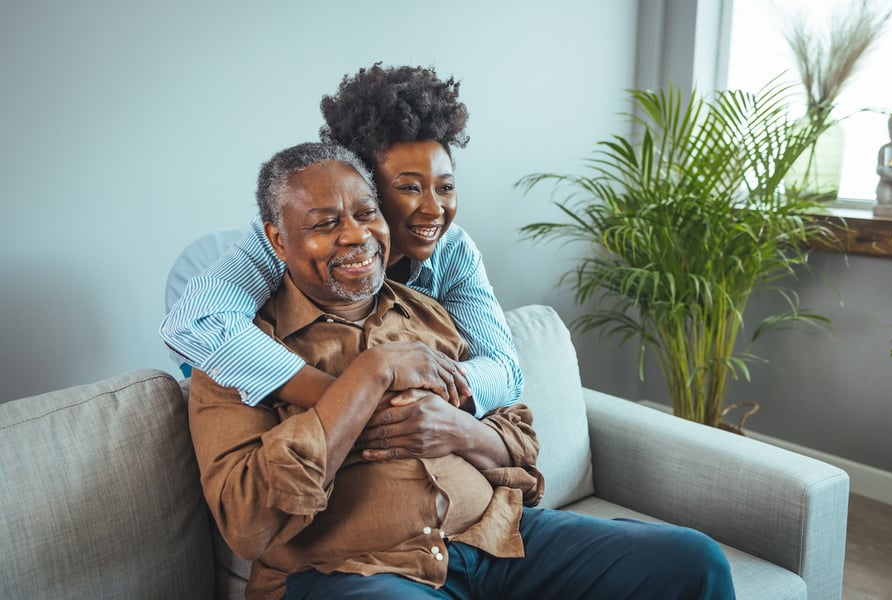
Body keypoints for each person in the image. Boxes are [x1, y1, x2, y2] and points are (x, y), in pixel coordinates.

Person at [187, 141, 736, 600]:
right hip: (359, 572)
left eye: (366, 213)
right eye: (326, 223)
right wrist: (368, 375)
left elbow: (520, 439)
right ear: (278, 239)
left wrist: (461, 430)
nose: (355, 236)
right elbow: (248, 521)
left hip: (500, 539)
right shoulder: (234, 355)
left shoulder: (427, 309)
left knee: (694, 561)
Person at [161, 63, 520, 423]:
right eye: (409, 187)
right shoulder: (286, 234)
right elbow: (194, 321)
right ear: (363, 185)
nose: (434, 210)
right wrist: (353, 399)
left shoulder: (453, 249)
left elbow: (505, 371)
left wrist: (424, 400)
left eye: (446, 187)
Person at [875, 109, 892, 208]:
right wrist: (883, 171)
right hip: (885, 180)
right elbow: (879, 166)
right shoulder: (884, 149)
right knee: (884, 199)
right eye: (891, 128)